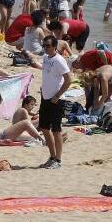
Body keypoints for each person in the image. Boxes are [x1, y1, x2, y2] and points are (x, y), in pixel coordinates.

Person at [39, 35, 71, 169]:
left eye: (47, 45)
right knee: (45, 128)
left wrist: (57, 96)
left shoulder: (59, 60)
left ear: (54, 46)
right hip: (45, 97)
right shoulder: (45, 58)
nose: (45, 48)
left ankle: (58, 160)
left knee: (56, 130)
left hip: (56, 100)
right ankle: (52, 157)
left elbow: (68, 80)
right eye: (44, 45)